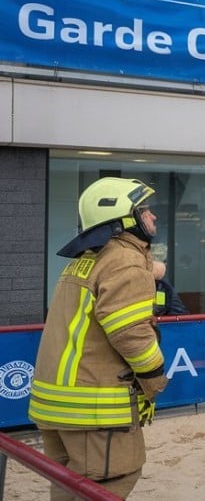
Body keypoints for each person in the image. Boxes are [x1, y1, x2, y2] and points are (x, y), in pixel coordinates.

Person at [29, 178, 169, 499]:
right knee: (112, 478)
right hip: (93, 410)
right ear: (125, 218)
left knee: (69, 486)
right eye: (145, 210)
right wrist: (155, 380)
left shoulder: (86, 260)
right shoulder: (124, 260)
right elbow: (130, 333)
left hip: (58, 406)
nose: (153, 217)